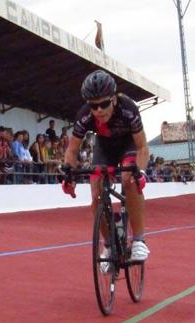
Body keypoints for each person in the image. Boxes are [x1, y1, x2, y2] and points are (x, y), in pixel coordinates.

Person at [62, 69, 150, 262]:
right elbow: (72, 150)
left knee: (129, 180)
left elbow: (143, 147)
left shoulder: (128, 108)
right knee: (96, 195)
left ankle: (139, 240)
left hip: (129, 145)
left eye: (104, 104)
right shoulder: (84, 115)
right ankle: (110, 244)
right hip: (104, 147)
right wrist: (68, 175)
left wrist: (140, 172)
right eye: (94, 106)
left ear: (114, 99)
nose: (99, 110)